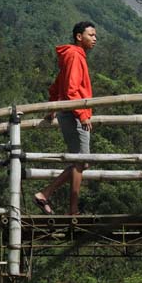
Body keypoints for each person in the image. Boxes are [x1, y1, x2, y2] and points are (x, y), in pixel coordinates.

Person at [33, 21, 97, 216]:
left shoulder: (72, 55)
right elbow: (71, 90)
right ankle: (71, 209)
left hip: (69, 111)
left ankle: (46, 194)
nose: (94, 39)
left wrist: (53, 106)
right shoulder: (75, 55)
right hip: (73, 113)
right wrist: (82, 115)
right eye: (91, 35)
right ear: (79, 36)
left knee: (81, 162)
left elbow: (57, 85)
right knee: (81, 162)